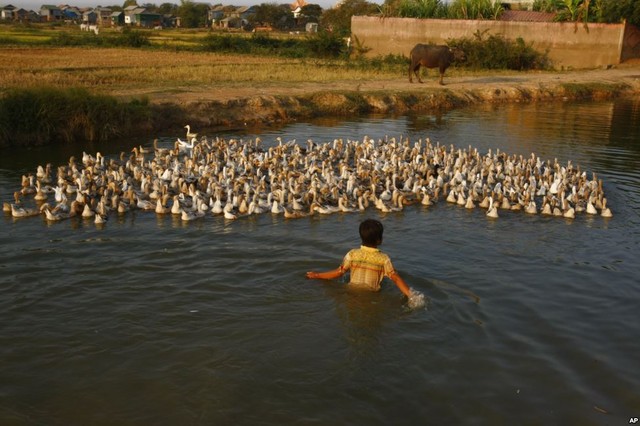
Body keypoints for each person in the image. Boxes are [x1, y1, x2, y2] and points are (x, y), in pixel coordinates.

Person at [306, 218, 413, 298]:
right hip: (371, 296)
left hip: (351, 294)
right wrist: (412, 296)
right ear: (379, 240)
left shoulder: (352, 254)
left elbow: (339, 272)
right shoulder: (384, 259)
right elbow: (396, 278)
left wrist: (317, 275)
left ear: (361, 237)